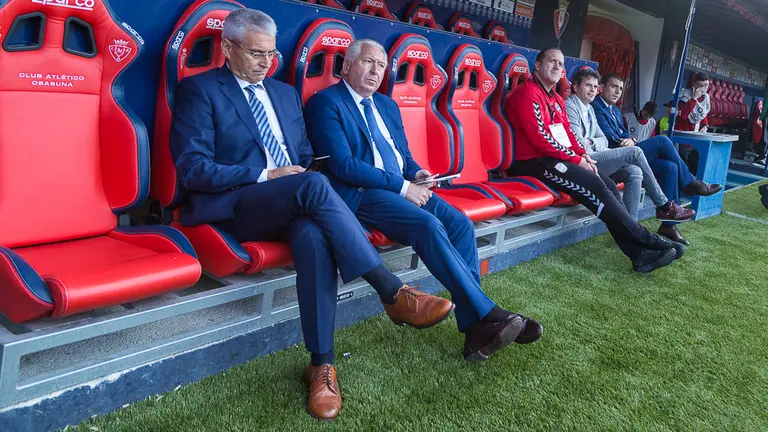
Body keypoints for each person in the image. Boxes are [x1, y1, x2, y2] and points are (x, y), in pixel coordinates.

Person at [170, 10, 454, 422]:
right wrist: (267, 174)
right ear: (227, 48)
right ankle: (391, 291)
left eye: (271, 55)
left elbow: (304, 158)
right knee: (312, 185)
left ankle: (322, 365)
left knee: (313, 235)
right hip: (237, 204)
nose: (266, 63)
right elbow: (193, 169)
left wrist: (292, 177)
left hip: (294, 202)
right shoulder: (200, 91)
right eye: (255, 54)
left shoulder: (284, 95)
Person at [304, 39, 543, 364]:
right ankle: (489, 313)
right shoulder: (326, 103)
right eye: (367, 62)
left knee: (459, 224)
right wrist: (404, 187)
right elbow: (343, 166)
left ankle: (475, 330)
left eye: (381, 65)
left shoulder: (387, 105)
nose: (375, 71)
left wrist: (417, 174)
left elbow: (404, 157)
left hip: (400, 187)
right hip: (361, 193)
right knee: (428, 224)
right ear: (347, 66)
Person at [504, 48, 684, 273]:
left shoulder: (557, 100)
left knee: (606, 183)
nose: (557, 66)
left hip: (555, 160)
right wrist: (576, 159)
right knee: (596, 184)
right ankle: (647, 240)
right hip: (533, 163)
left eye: (560, 64)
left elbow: (568, 134)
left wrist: (583, 155)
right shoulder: (528, 93)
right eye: (551, 61)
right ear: (537, 66)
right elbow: (540, 139)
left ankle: (638, 254)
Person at [592, 73, 721, 245]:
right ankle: (691, 182)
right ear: (602, 87)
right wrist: (626, 141)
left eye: (621, 88)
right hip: (613, 156)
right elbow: (609, 137)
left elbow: (624, 134)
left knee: (670, 167)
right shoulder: (596, 106)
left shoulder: (614, 110)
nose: (617, 91)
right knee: (663, 141)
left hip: (627, 152)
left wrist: (630, 139)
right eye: (614, 86)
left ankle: (669, 225)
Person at [565, 69, 694, 224]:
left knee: (635, 171)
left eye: (594, 86)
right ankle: (665, 205)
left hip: (600, 156)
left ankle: (631, 229)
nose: (593, 90)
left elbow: (604, 140)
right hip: (585, 161)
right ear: (576, 87)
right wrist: (595, 142)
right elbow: (581, 145)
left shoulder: (590, 108)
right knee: (644, 148)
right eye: (588, 85)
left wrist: (595, 142)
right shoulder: (570, 105)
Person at [674, 72, 712, 175]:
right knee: (683, 165)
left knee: (695, 165)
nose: (703, 89)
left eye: (706, 86)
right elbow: (683, 116)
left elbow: (703, 115)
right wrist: (693, 99)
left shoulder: (706, 97)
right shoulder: (684, 96)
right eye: (701, 85)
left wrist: (705, 125)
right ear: (694, 84)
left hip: (696, 137)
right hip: (683, 137)